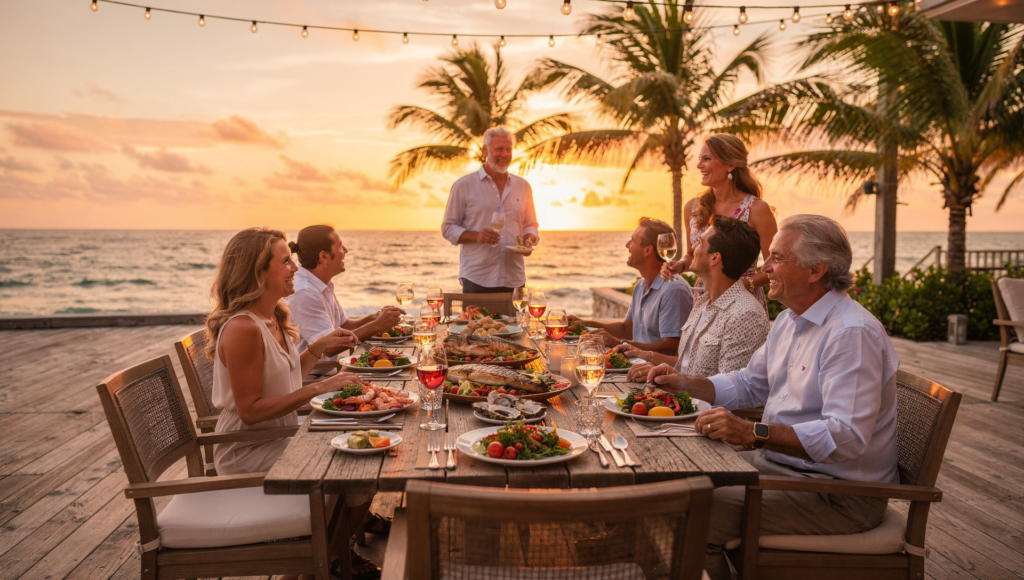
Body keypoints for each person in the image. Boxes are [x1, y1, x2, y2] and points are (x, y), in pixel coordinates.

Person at [645, 215, 899, 580]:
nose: (765, 267)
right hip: (782, 470)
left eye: (778, 257)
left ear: (816, 271)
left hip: (839, 495)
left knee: (687, 511)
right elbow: (750, 383)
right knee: (665, 481)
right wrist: (686, 383)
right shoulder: (789, 321)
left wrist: (753, 433)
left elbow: (845, 438)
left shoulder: (850, 334)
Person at [205, 227, 381, 579]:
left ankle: (321, 559)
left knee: (366, 450)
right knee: (361, 470)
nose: (296, 269)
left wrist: (316, 349)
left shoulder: (274, 317)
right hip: (248, 450)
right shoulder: (244, 328)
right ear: (257, 272)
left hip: (281, 438)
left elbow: (288, 378)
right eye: (285, 262)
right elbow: (251, 411)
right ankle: (312, 565)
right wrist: (321, 389)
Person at [616, 215, 768, 381]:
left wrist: (675, 382)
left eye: (701, 242)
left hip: (706, 407)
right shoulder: (703, 303)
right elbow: (688, 367)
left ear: (715, 258)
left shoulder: (745, 314)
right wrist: (646, 356)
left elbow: (730, 388)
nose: (694, 248)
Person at [661, 134, 777, 310]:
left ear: (730, 164)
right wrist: (680, 265)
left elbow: (775, 266)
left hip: (742, 303)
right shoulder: (693, 208)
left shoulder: (756, 209)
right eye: (700, 159)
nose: (699, 165)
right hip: (704, 299)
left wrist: (742, 286)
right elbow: (692, 254)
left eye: (706, 159)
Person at [570, 217, 693, 356]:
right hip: (635, 366)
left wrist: (619, 344)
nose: (627, 245)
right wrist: (583, 324)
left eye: (633, 241)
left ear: (647, 250)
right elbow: (626, 329)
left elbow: (672, 348)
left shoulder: (673, 289)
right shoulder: (641, 285)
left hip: (656, 373)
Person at [441, 126, 540, 293]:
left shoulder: (523, 186)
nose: (505, 155)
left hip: (514, 279)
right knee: (475, 321)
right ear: (485, 150)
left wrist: (529, 240)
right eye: (499, 149)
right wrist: (477, 236)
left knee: (516, 321)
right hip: (477, 278)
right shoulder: (463, 186)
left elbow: (531, 225)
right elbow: (448, 227)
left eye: (509, 150)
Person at [286, 225, 405, 356]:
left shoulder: (321, 283)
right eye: (340, 246)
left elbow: (344, 326)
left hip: (330, 370)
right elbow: (328, 347)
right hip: (316, 375)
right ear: (323, 257)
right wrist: (377, 325)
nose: (346, 251)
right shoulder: (304, 292)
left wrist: (372, 318)